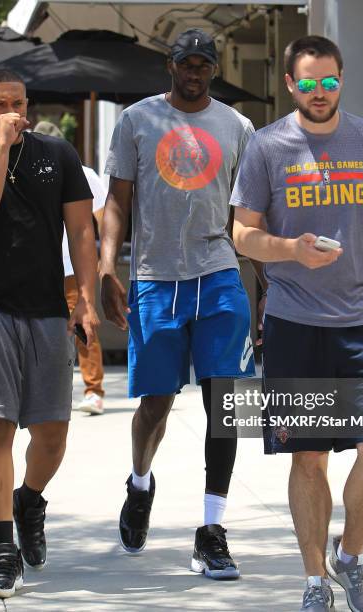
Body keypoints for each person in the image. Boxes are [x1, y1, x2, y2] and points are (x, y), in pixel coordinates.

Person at [231, 35, 363, 612]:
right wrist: (290, 250)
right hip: (294, 322)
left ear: (342, 79)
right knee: (308, 456)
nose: (319, 91)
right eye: (308, 82)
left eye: (329, 81)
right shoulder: (267, 147)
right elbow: (241, 233)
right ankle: (315, 580)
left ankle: (351, 557)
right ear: (291, 84)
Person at [101, 28, 258, 580]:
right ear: (170, 65)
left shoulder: (238, 127)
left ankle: (212, 531)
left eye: (204, 66)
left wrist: (262, 283)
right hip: (156, 279)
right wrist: (105, 266)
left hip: (218, 275)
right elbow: (117, 203)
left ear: (212, 71)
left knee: (227, 406)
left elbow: (251, 214)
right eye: (186, 64)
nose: (195, 73)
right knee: (156, 406)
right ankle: (140, 482)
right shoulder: (137, 121)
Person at [0, 69, 99, 599]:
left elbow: (80, 231)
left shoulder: (59, 154)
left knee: (52, 435)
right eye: (1, 103)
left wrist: (89, 300)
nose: (13, 111)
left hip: (48, 309)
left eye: (20, 102)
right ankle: (3, 548)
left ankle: (29, 500)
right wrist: (2, 148)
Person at [33, 120, 107, 415]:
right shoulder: (31, 172)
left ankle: (94, 389)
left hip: (74, 267)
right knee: (42, 331)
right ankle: (49, 391)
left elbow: (102, 217)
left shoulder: (85, 174)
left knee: (84, 328)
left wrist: (103, 260)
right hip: (41, 267)